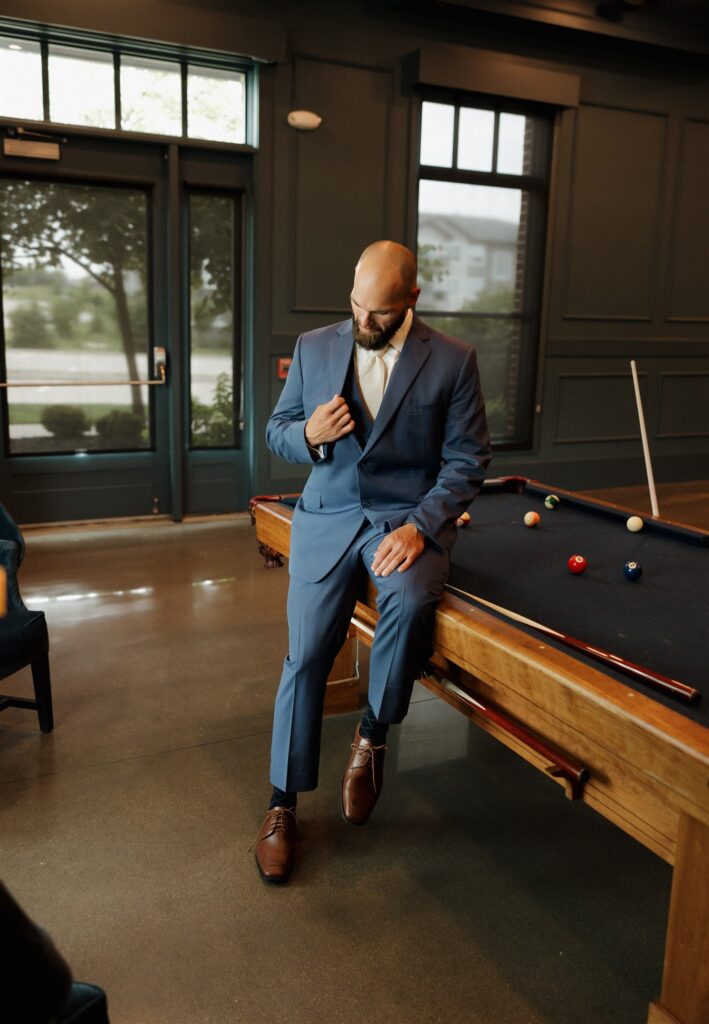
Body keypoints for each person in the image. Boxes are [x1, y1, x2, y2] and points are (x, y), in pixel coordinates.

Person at [254, 240, 490, 883]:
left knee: (412, 603)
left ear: (411, 299)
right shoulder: (314, 347)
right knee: (305, 656)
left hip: (403, 522)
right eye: (357, 306)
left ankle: (373, 731)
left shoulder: (453, 361)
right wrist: (307, 435)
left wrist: (421, 527)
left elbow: (467, 461)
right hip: (328, 515)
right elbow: (276, 429)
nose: (363, 322)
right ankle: (282, 805)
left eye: (379, 313)